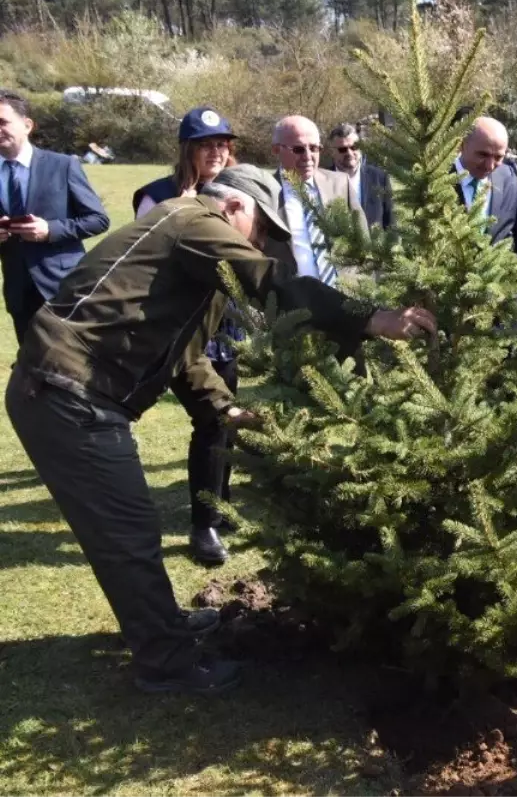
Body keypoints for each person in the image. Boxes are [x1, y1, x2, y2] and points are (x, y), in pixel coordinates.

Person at [6, 164, 435, 695]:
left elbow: (184, 358)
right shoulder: (193, 219)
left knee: (128, 531)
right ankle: (166, 663)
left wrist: (225, 408)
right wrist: (370, 317)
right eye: (258, 231)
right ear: (235, 206)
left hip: (65, 389)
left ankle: (163, 627)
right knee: (129, 532)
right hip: (66, 393)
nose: (256, 244)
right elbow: (272, 283)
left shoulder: (187, 258)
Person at [132, 106, 244, 566]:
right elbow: (142, 265)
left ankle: (221, 500)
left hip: (226, 325)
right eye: (205, 144)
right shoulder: (156, 196)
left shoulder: (235, 193)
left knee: (224, 421)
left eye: (222, 143)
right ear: (186, 149)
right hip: (179, 332)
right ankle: (205, 527)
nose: (216, 151)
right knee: (211, 419)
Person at [0, 89, 109, 342]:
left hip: (64, 287)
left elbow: (98, 219)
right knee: (31, 368)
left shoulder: (62, 165)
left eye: (3, 122)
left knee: (71, 367)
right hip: (19, 292)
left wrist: (51, 230)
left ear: (27, 125)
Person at [269, 115, 368, 286]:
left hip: (347, 298)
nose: (308, 157)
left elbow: (363, 241)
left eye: (314, 148)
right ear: (277, 150)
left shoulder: (340, 183)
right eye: (298, 149)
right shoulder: (264, 191)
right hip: (294, 304)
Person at [453, 117, 517, 256]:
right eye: (483, 155)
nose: (490, 165)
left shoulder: (509, 180)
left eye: (498, 157)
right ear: (462, 145)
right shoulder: (436, 179)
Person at [329, 122, 393, 229]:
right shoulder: (322, 181)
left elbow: (391, 223)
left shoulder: (380, 178)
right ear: (332, 152)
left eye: (354, 147)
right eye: (342, 149)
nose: (349, 153)